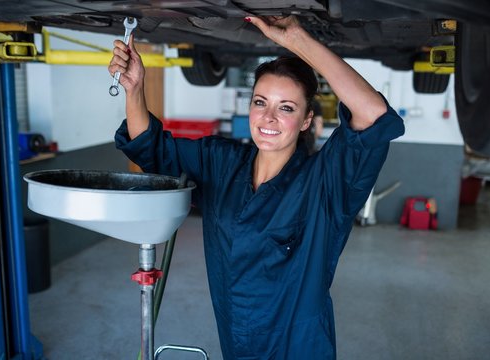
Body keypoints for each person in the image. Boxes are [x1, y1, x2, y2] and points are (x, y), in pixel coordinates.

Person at [109, 15, 404, 360]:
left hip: (299, 349)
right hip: (236, 344)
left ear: (307, 119)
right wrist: (134, 89)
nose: (268, 118)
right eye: (261, 102)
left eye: (287, 108)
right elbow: (152, 149)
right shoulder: (221, 163)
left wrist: (298, 41)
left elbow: (373, 114)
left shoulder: (325, 185)